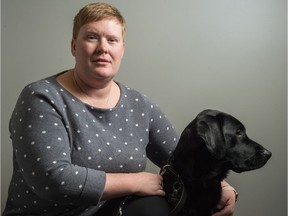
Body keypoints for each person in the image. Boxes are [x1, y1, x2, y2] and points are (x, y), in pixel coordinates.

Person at [3, 2, 237, 216]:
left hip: (115, 211)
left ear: (122, 50)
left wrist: (223, 186)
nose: (103, 48)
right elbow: (53, 180)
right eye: (92, 37)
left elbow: (183, 158)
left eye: (112, 40)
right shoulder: (41, 97)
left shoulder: (140, 105)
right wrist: (135, 182)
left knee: (155, 207)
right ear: (74, 46)